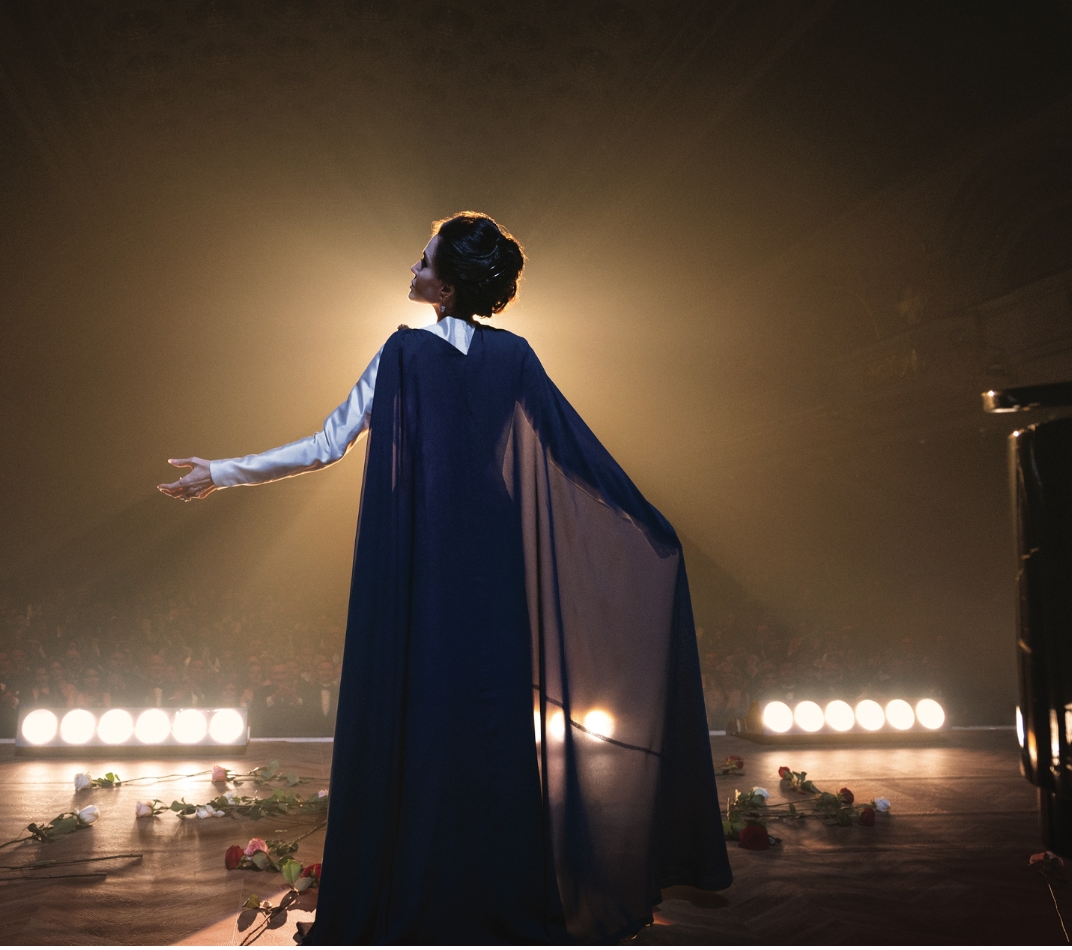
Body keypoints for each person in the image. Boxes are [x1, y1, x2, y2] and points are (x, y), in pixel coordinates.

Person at [159, 212, 730, 942]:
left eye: (421, 260)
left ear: (446, 283)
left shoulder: (403, 353)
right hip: (489, 549)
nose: (411, 268)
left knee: (422, 711)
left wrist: (222, 473)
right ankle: (498, 891)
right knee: (488, 719)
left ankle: (425, 887)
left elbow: (325, 445)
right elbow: (579, 456)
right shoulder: (515, 356)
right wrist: (650, 522)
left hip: (424, 547)